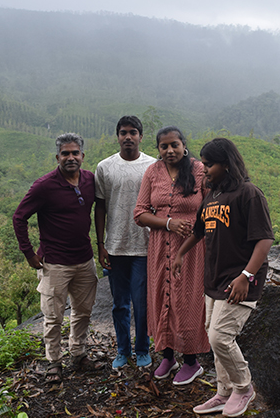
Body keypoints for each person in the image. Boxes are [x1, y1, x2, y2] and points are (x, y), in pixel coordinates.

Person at [173, 137, 274, 418]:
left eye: (209, 164)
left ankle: (244, 388)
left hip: (239, 280)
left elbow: (264, 240)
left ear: (227, 164)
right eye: (203, 163)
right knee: (212, 333)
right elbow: (198, 230)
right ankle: (224, 391)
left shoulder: (249, 193)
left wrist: (245, 276)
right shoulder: (212, 195)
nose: (203, 169)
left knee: (221, 336)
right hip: (214, 278)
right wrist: (180, 254)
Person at [12, 132, 101, 383]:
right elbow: (19, 217)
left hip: (85, 260)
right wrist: (28, 253)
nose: (70, 157)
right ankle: (53, 362)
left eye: (75, 153)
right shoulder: (44, 186)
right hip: (54, 263)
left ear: (83, 156)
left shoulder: (89, 180)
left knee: (83, 312)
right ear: (57, 157)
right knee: (53, 317)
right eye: (65, 153)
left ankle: (78, 354)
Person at [133, 126, 210, 385]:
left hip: (192, 247)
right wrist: (168, 223)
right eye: (164, 146)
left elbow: (210, 209)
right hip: (159, 246)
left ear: (183, 145)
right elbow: (140, 213)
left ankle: (191, 361)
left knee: (186, 300)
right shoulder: (152, 172)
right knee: (160, 298)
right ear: (158, 149)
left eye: (174, 145)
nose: (169, 150)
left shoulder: (199, 170)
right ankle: (167, 355)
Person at [94, 116, 157, 370]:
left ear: (141, 136)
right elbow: (99, 206)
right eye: (123, 133)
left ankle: (142, 348)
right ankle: (123, 350)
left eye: (133, 132)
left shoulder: (153, 166)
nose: (128, 137)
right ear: (117, 136)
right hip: (115, 247)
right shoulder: (105, 167)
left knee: (142, 303)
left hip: (145, 245)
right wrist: (100, 244)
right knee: (119, 304)